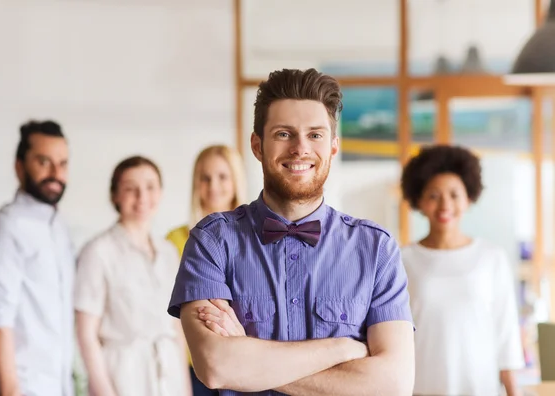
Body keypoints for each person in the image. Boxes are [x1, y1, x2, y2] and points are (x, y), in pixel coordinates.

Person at [167, 68, 415, 395]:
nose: (300, 148)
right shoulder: (211, 242)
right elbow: (215, 367)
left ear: (333, 147)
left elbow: (392, 385)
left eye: (315, 135)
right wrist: (342, 349)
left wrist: (248, 359)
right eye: (284, 134)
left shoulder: (376, 250)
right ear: (257, 145)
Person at [400, 145, 524, 396]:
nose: (445, 204)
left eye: (454, 195)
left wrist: (514, 392)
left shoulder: (492, 257)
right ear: (419, 201)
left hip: (481, 389)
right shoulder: (402, 260)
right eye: (434, 195)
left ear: (469, 198)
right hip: (421, 388)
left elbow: (506, 335)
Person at [0, 120, 75, 396]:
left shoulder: (59, 228)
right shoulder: (7, 226)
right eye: (44, 162)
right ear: (19, 166)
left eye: (62, 163)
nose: (56, 173)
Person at [75, 156, 191, 396]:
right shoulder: (98, 252)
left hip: (169, 377)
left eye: (150, 187)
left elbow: (176, 327)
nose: (142, 197)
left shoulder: (168, 251)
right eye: (130, 188)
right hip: (123, 378)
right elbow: (86, 335)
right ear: (115, 195)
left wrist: (185, 388)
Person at [166, 145, 246, 396]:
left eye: (222, 176)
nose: (213, 186)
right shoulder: (175, 240)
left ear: (235, 181)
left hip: (244, 362)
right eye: (205, 178)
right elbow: (172, 319)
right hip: (194, 369)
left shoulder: (254, 239)